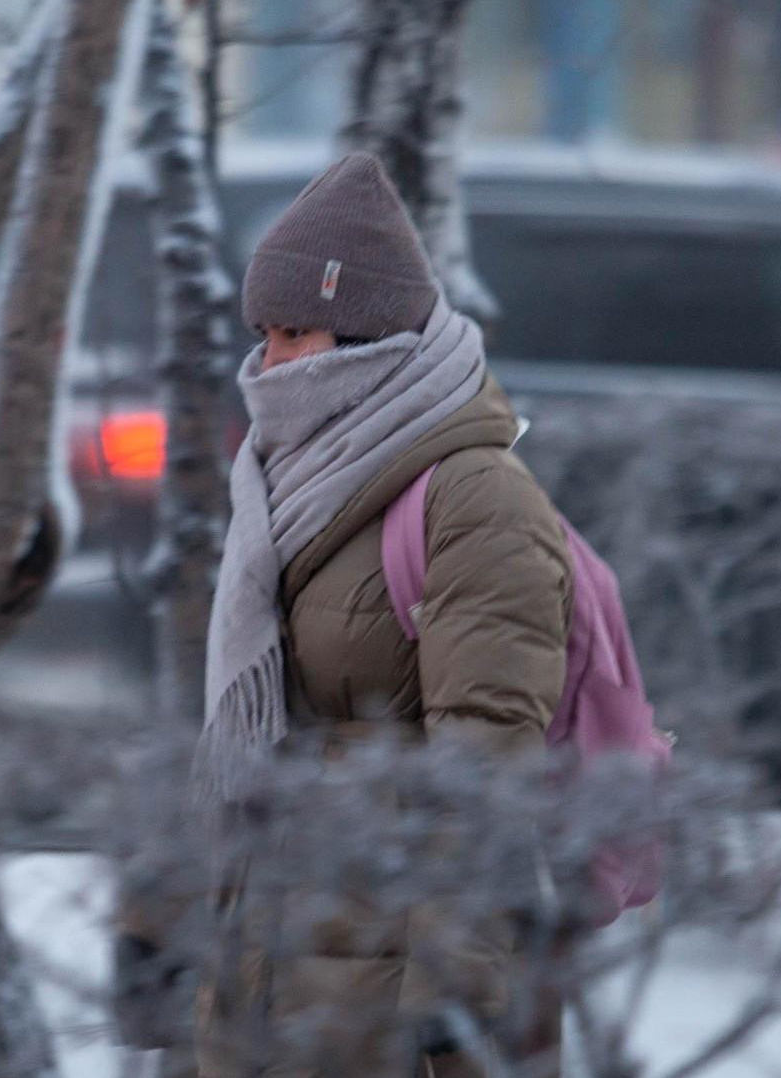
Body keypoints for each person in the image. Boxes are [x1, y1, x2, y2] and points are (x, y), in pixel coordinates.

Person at [190, 151, 574, 1078]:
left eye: (293, 334)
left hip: (395, 993)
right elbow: (246, 740)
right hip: (275, 964)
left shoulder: (472, 495)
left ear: (369, 338)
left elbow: (487, 762)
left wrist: (457, 995)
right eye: (262, 334)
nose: (267, 364)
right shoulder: (284, 486)